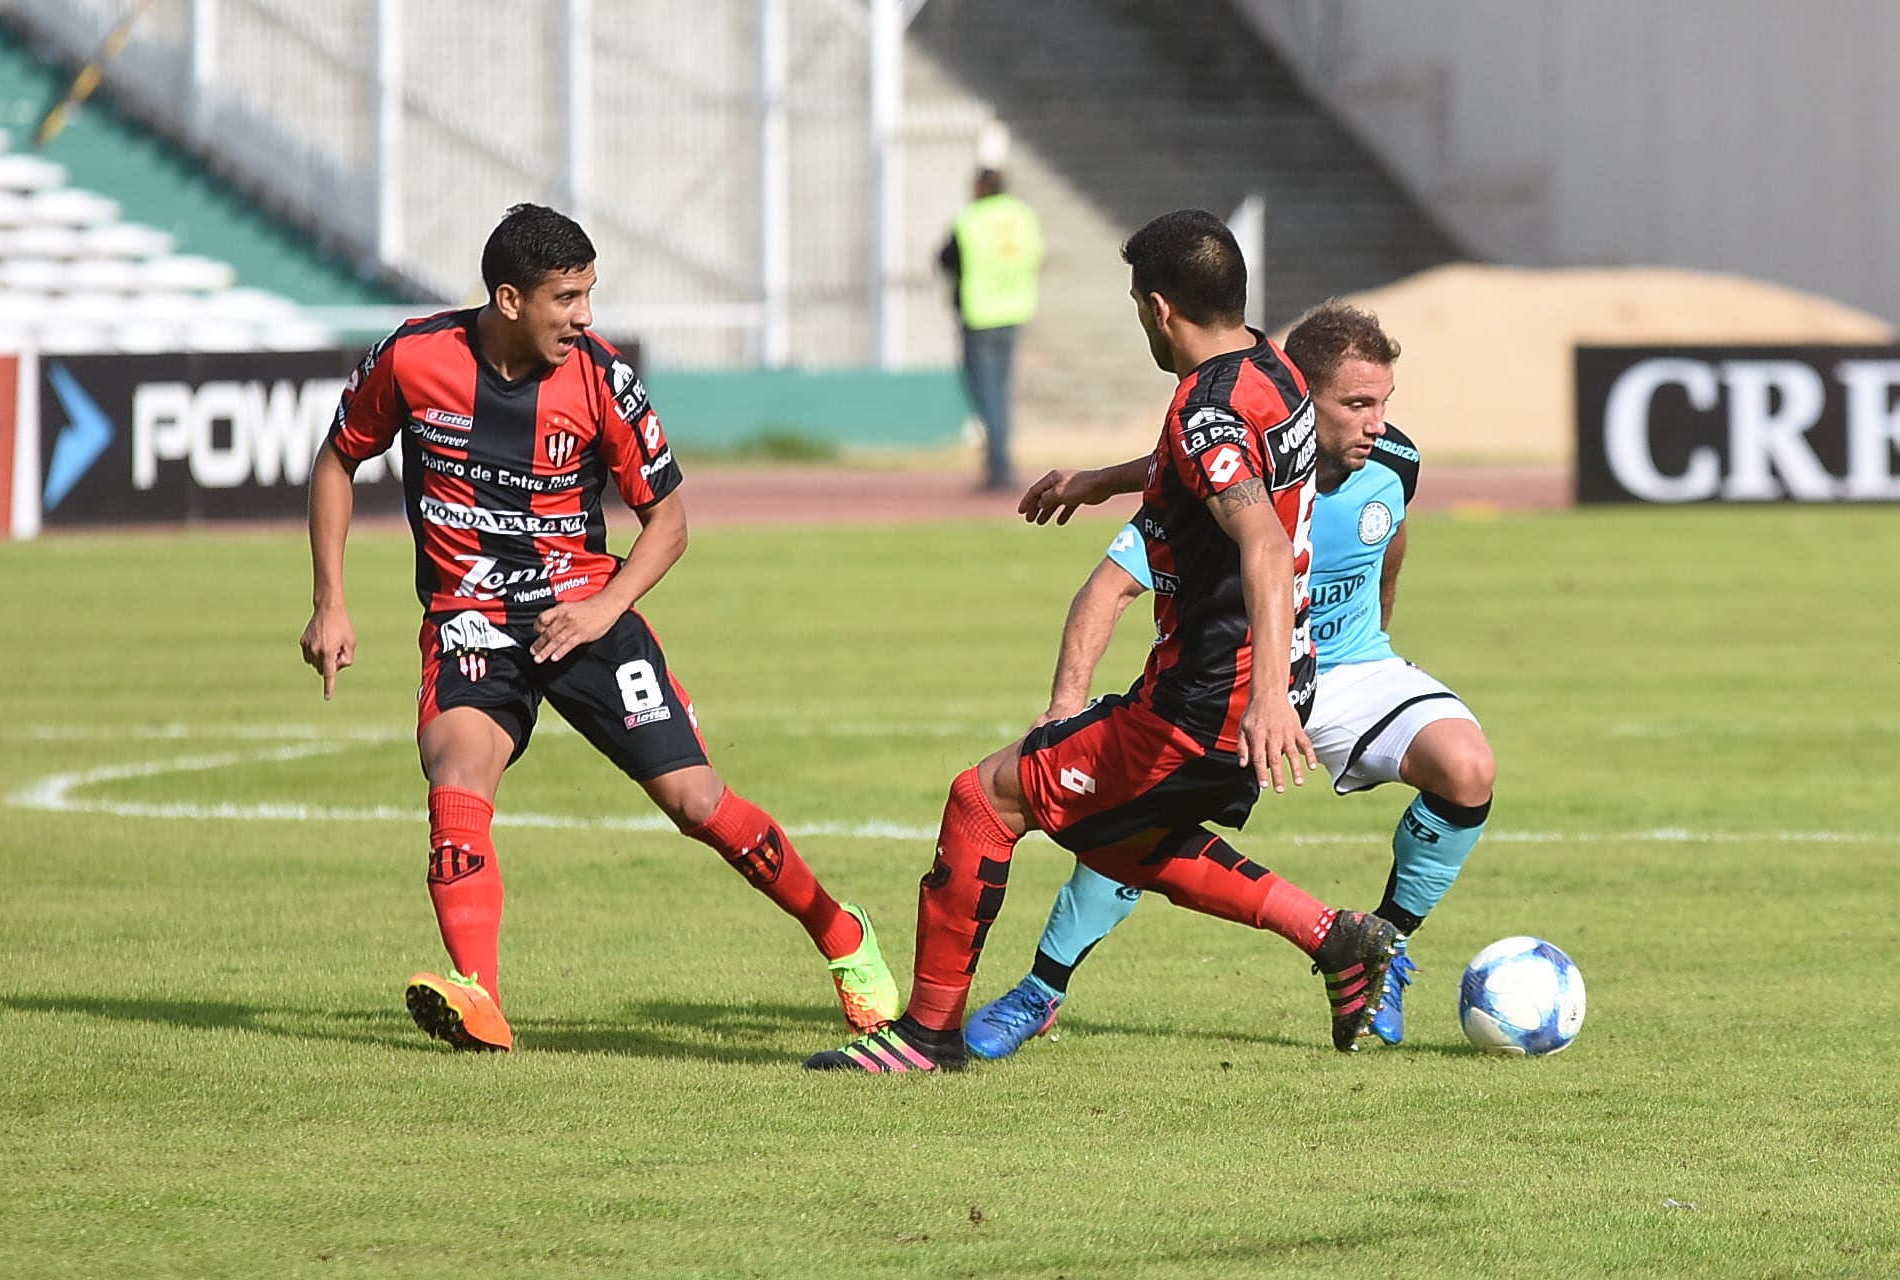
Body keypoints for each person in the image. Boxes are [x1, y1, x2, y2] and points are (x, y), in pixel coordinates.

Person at [805, 211, 1399, 1073]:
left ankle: (927, 1038)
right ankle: (1334, 939)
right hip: (1259, 677)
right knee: (1122, 842)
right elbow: (1213, 459)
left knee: (982, 802)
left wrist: (1267, 696)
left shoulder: (1206, 404)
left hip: (1210, 694)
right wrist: (1103, 482)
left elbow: (1263, 538)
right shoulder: (1270, 365)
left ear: (1159, 309)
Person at [300, 203, 900, 1052]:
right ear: (509, 300)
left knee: (696, 803)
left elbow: (670, 521)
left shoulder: (600, 377)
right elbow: (338, 457)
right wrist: (331, 599)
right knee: (456, 770)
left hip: (588, 612)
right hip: (471, 617)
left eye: (588, 295)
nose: (585, 316)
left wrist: (601, 610)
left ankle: (843, 937)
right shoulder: (412, 357)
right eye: (567, 297)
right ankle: (480, 998)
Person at [964, 301, 1496, 1059]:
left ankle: (1383, 955)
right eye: (1356, 405)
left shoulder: (1394, 462)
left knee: (1468, 766)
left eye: (1384, 403)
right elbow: (1107, 588)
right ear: (1299, 404)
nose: (1378, 424)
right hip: (1242, 683)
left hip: (1348, 670)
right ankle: (1041, 990)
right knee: (1138, 822)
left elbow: (1392, 533)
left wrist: (1381, 630)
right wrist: (1062, 709)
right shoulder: (1231, 485)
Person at [937, 168, 1043, 490]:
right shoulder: (1022, 215)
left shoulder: (971, 219)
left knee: (986, 393)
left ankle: (999, 465)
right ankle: (999, 459)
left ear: (980, 187)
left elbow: (945, 259)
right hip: (1014, 309)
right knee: (1000, 391)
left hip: (980, 313)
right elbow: (1034, 254)